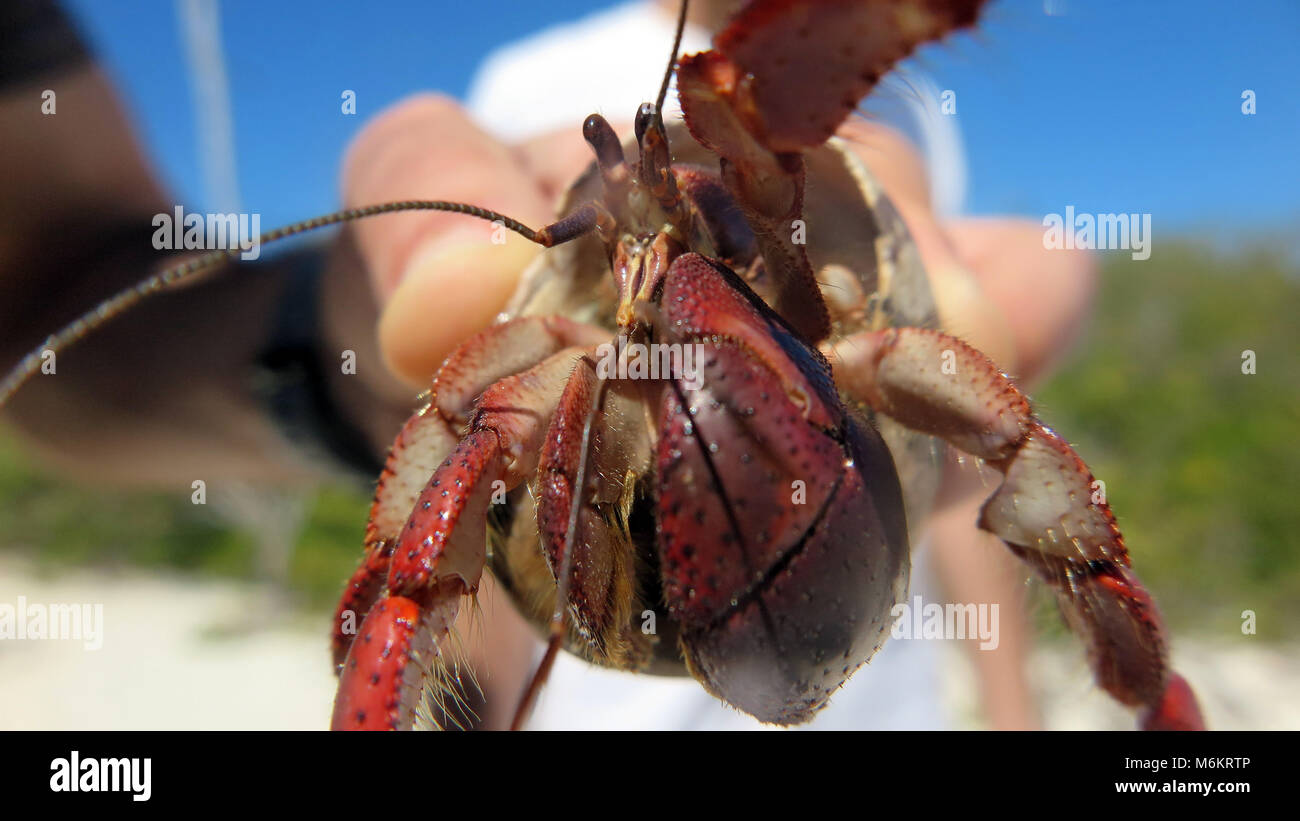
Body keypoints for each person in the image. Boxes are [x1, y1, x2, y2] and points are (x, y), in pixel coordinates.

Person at [1, 0, 1094, 729]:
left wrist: (1013, 709)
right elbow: (446, 486)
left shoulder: (814, 106)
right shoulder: (531, 74)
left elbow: (958, 458)